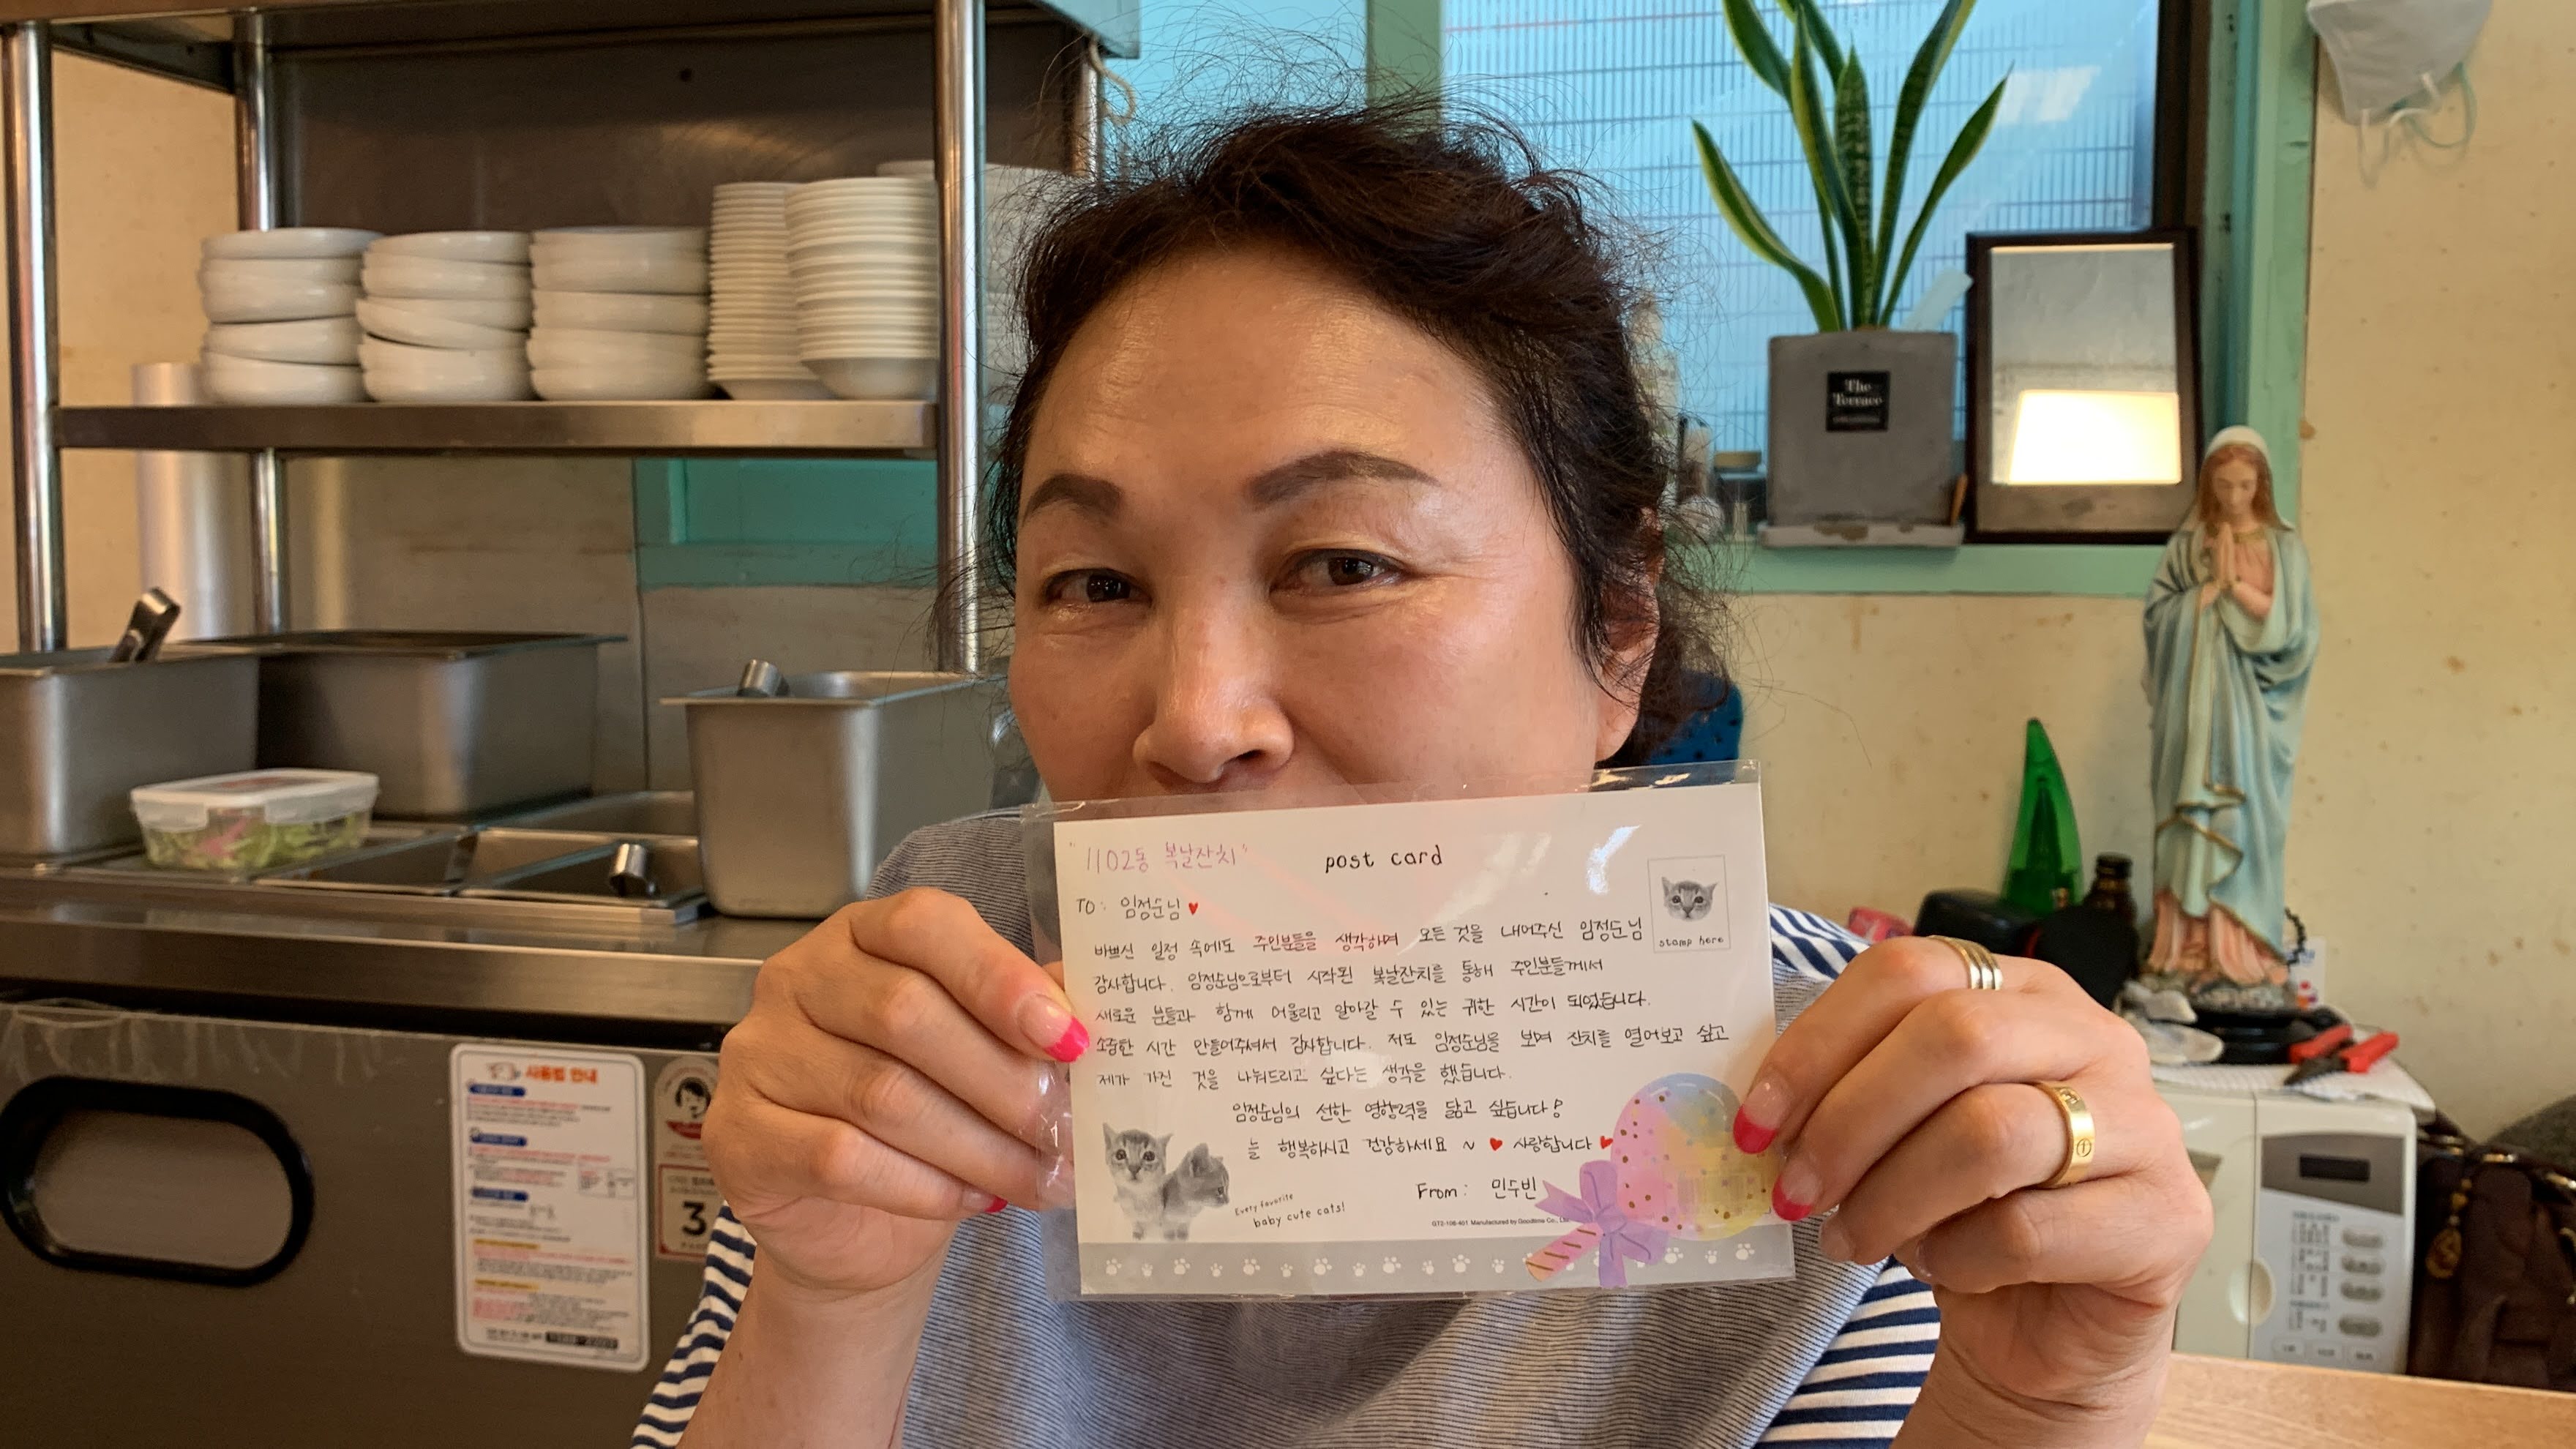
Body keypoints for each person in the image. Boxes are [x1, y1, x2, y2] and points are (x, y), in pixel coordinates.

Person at [637, 101, 2208, 1448]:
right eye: (1095, 584)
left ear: (1617, 627)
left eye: (1342, 563)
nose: (1197, 721)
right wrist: (832, 1291)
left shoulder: (1826, 1103)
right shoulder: (933, 1007)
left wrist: (2039, 1402)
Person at [2143, 427, 2321, 1006]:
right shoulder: (2186, 545)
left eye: (2246, 486)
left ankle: (2239, 952)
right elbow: (2158, 616)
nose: (2235, 497)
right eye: (2224, 486)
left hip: (2248, 716)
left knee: (2240, 821)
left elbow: (2294, 635)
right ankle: (2184, 951)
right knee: (2187, 826)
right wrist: (2200, 600)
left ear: (2261, 485)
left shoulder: (2284, 549)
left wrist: (2233, 587)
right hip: (2192, 711)